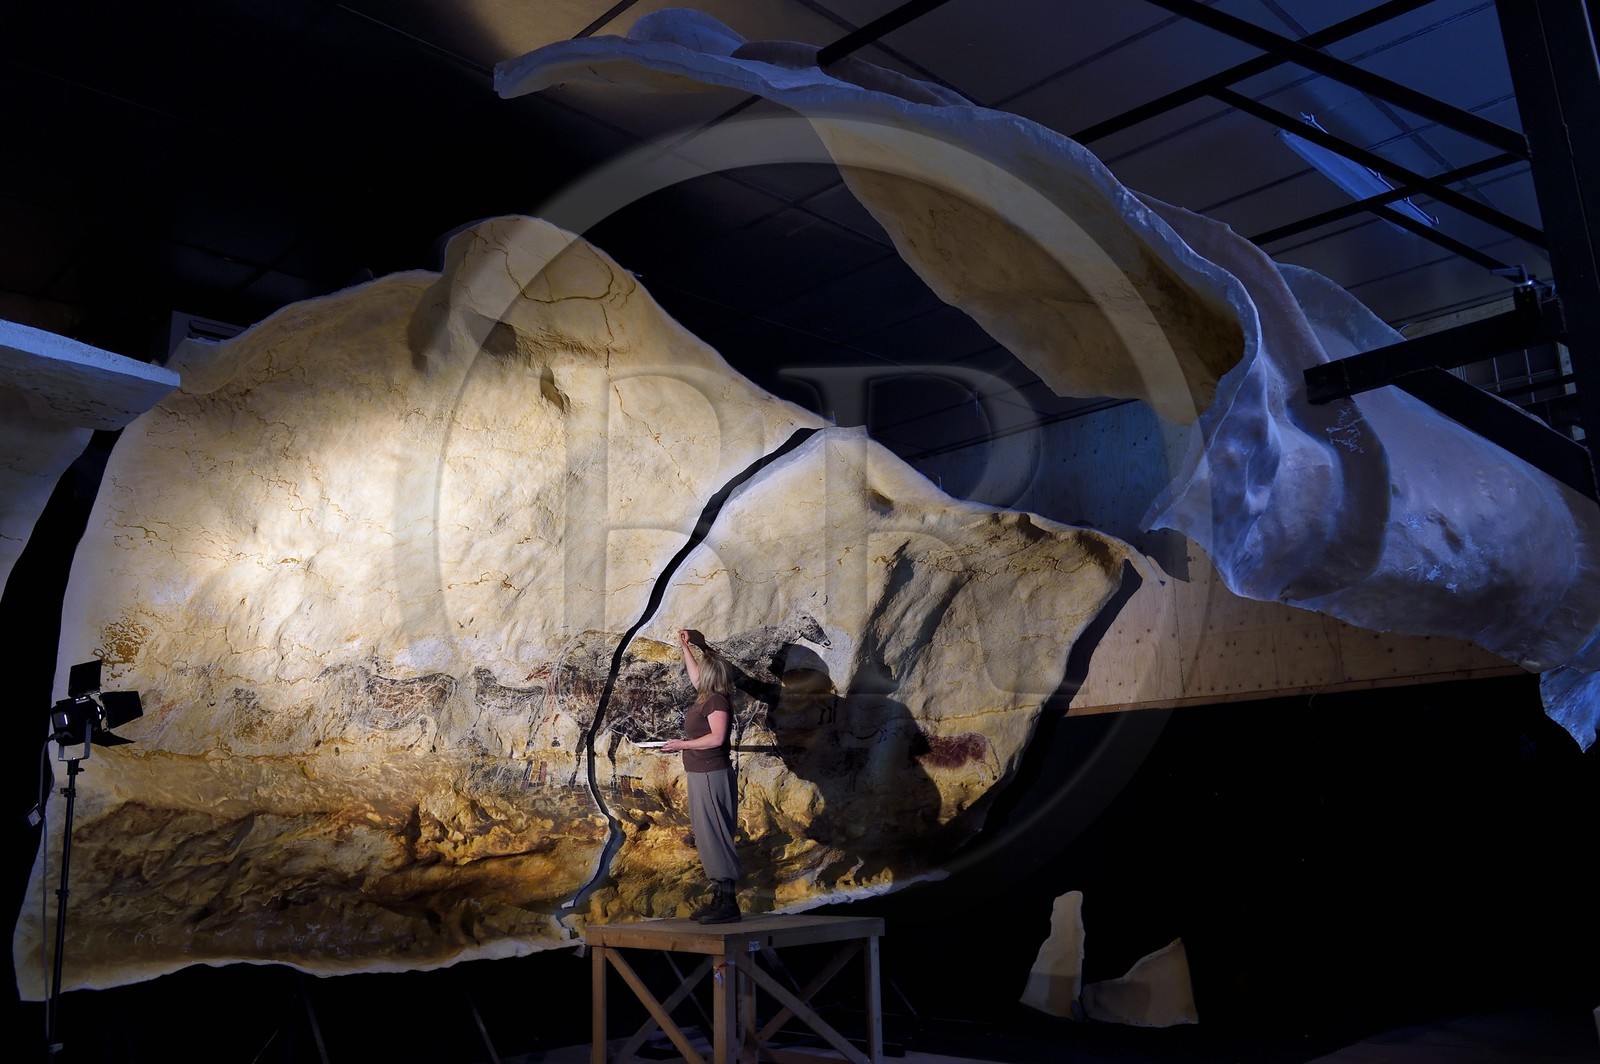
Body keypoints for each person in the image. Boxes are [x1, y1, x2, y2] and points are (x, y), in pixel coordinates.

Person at [661, 628, 742, 924]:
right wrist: (686, 646)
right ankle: (720, 896)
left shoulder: (716, 701)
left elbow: (717, 738)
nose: (698, 676)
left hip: (711, 773)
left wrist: (681, 744)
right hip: (700, 773)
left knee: (715, 833)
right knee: (706, 835)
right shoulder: (705, 695)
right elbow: (694, 674)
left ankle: (729, 902)